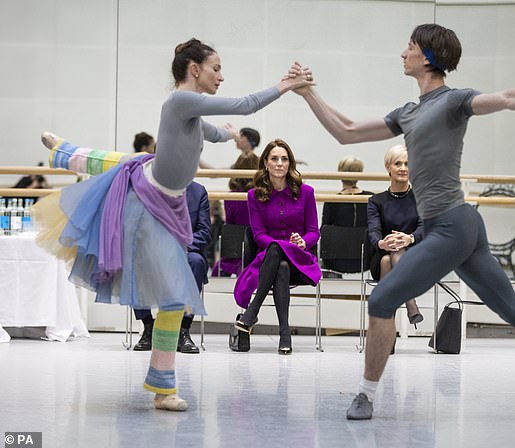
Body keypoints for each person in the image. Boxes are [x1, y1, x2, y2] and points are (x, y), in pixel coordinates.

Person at [290, 23, 515, 420]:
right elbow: (347, 132)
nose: (401, 53)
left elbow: (509, 98)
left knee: (382, 298)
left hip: (452, 225)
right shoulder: (407, 113)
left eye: (408, 47)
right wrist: (308, 94)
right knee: (513, 310)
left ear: (427, 56)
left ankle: (366, 396)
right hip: (459, 227)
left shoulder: (454, 101)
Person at [32, 38, 313, 412]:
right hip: (148, 201)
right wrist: (285, 85)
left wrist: (229, 135)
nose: (222, 76)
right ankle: (64, 152)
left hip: (170, 203)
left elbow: (211, 132)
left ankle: (163, 387)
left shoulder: (192, 115)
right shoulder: (180, 101)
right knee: (171, 289)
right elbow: (245, 104)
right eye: (216, 68)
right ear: (194, 69)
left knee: (129, 166)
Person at [233, 139, 321, 355]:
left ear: (290, 163)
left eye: (284, 159)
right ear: (266, 163)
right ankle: (285, 334)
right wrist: (281, 245)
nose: (280, 163)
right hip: (267, 261)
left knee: (279, 256)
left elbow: (314, 232)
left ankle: (252, 313)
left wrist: (303, 242)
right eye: (274, 159)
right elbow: (258, 235)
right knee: (278, 260)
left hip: (299, 261)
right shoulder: (254, 195)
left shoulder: (306, 192)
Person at [133, 179, 211, 354]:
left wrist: (180, 244)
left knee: (196, 262)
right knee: (137, 261)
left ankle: (184, 329)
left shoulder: (199, 192)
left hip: (186, 250)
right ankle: (148, 327)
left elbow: (204, 232)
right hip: (154, 249)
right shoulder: (146, 189)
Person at [367, 145, 424, 326]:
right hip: (382, 253)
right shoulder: (376, 201)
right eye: (397, 163)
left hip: (415, 257)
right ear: (388, 168)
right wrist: (382, 243)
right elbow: (373, 231)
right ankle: (411, 302)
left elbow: (427, 228)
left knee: (390, 261)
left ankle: (384, 328)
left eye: (407, 164)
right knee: (387, 258)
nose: (403, 168)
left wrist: (410, 238)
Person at [211, 127, 261, 276]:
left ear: (249, 140)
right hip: (251, 244)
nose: (237, 140)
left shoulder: (233, 196)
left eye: (240, 137)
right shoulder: (257, 195)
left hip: (237, 244)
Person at [321, 155, 373, 274]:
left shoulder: (331, 200)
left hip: (335, 261)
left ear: (340, 172)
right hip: (365, 260)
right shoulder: (371, 198)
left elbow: (324, 231)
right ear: (360, 173)